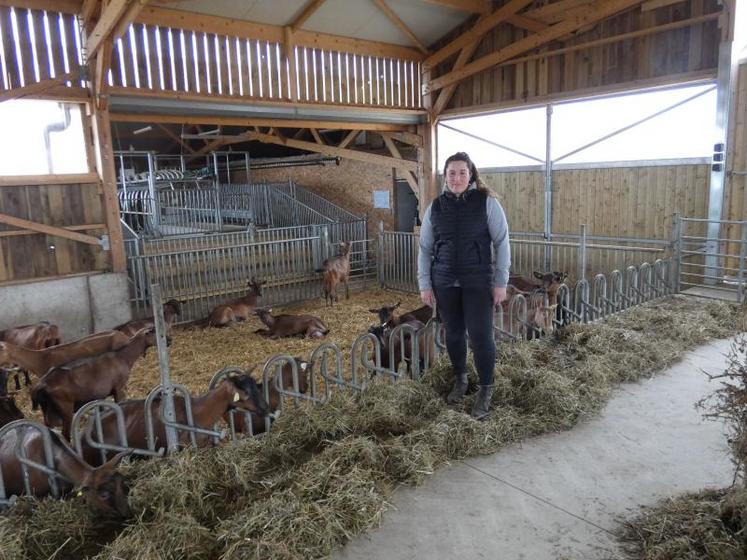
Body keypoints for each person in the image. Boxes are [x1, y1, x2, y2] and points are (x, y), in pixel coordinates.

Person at [417, 152, 510, 420]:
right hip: (445, 281)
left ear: (471, 175)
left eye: (462, 172)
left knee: (480, 336)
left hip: (477, 280)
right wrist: (425, 283)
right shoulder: (435, 207)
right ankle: (461, 379)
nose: (456, 177)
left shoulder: (487, 203)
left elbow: (502, 242)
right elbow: (424, 248)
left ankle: (485, 388)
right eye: (451, 173)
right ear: (445, 177)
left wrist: (500, 281)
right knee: (454, 334)